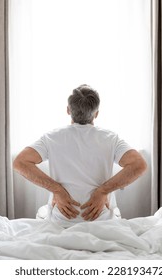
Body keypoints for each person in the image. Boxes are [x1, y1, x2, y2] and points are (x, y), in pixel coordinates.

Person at [13, 84, 147, 227]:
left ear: (68, 110)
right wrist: (103, 192)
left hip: (61, 221)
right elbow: (139, 164)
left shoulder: (51, 137)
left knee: (42, 213)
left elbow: (20, 162)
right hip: (101, 222)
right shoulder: (111, 138)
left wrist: (56, 190)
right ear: (96, 114)